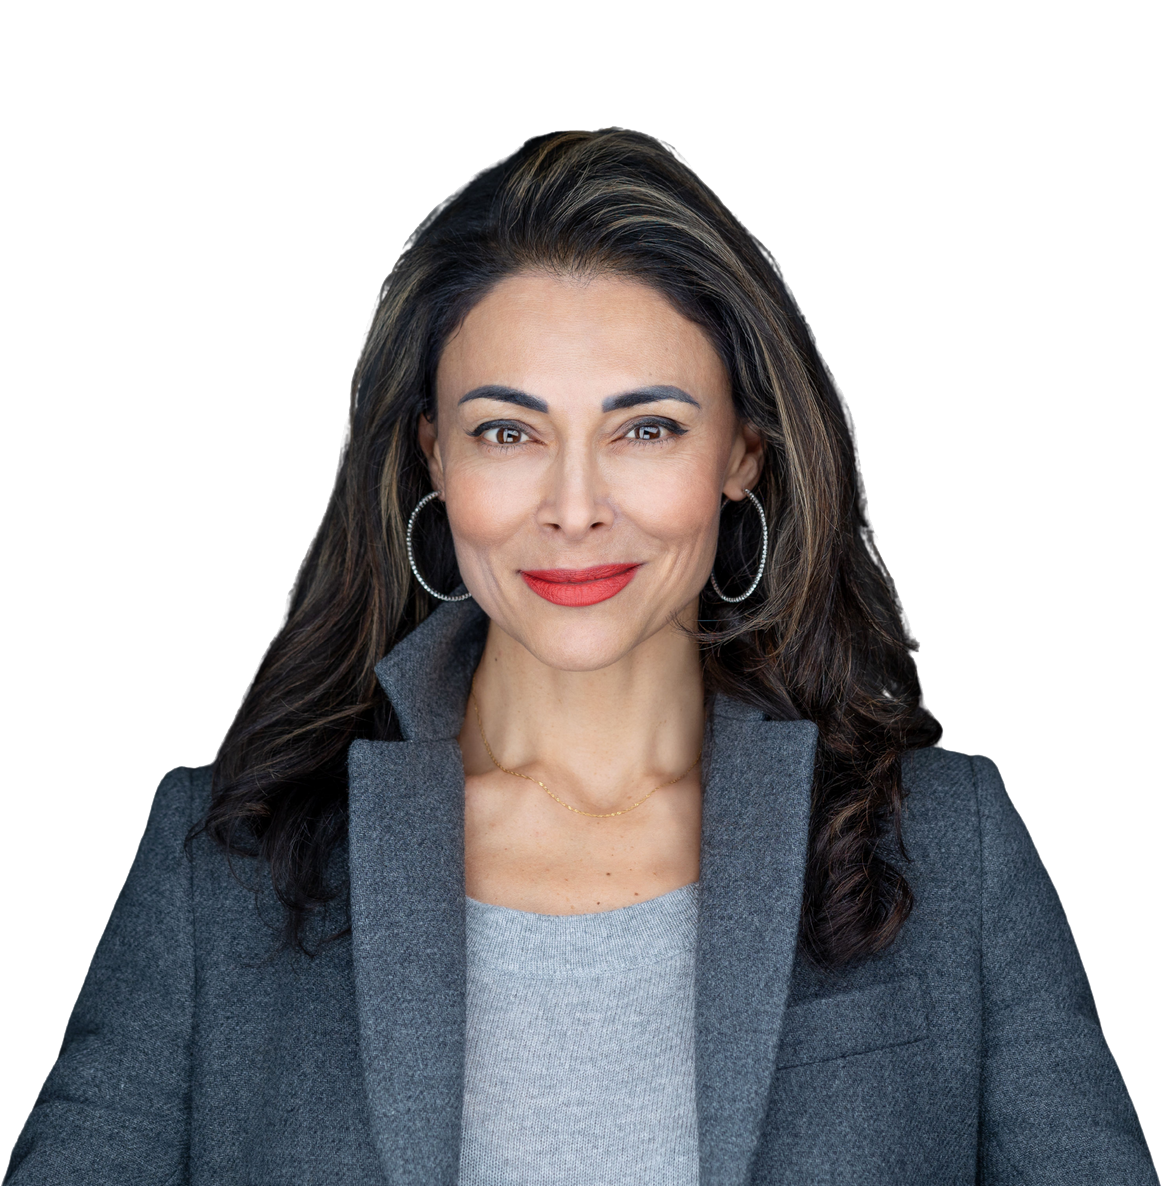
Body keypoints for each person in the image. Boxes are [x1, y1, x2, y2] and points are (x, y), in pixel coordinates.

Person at [5, 129, 1155, 1186]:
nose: (572, 507)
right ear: (434, 457)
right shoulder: (224, 866)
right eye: (507, 430)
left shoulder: (945, 844)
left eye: (643, 427)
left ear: (741, 453)